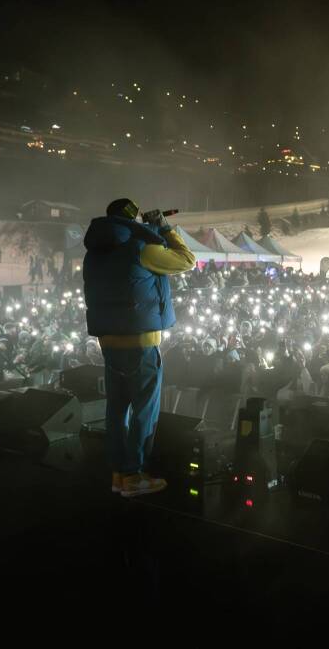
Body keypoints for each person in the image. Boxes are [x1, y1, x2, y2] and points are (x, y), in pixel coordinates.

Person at [83, 198, 195, 497]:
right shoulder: (141, 249)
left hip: (108, 343)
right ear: (133, 221)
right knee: (145, 410)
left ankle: (120, 474)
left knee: (116, 411)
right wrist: (163, 228)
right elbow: (187, 260)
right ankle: (135, 476)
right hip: (141, 344)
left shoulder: (93, 253)